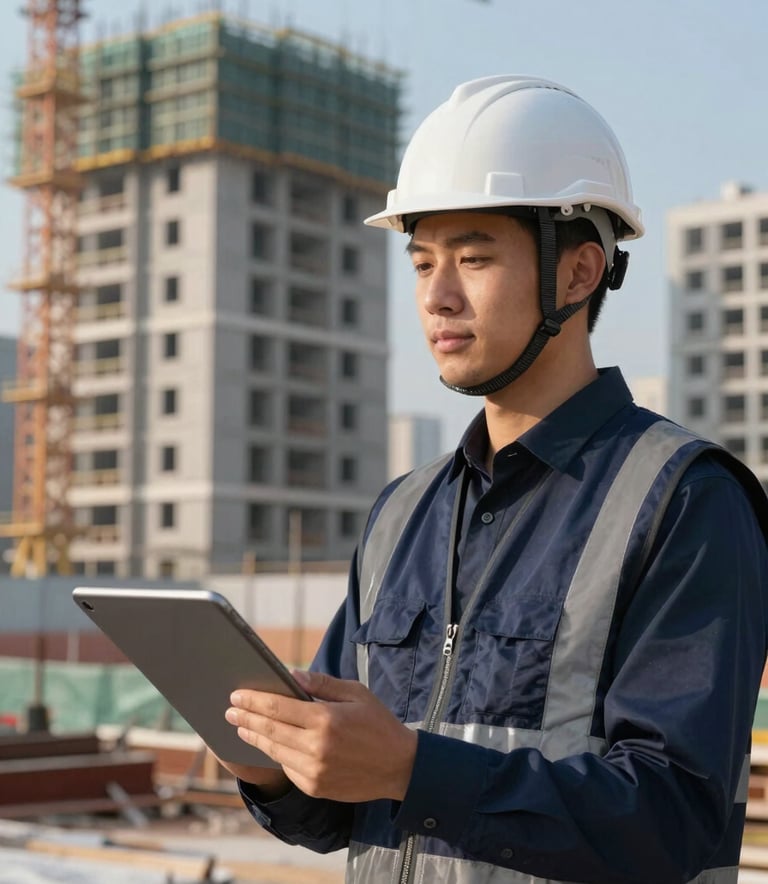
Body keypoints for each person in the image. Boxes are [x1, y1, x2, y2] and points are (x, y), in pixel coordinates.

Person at [219, 76, 768, 883]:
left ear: (581, 273)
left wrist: (414, 769)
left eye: (473, 258)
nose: (438, 297)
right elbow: (342, 810)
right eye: (422, 262)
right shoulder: (402, 513)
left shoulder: (686, 500)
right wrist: (272, 762)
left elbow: (677, 814)